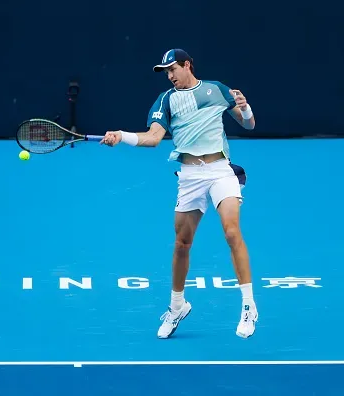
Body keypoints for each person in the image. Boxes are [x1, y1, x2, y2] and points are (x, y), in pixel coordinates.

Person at [100, 48, 258, 339]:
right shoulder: (166, 101)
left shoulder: (217, 90)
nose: (170, 76)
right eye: (166, 72)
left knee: (232, 231)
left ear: (188, 65)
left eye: (173, 69)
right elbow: (154, 138)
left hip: (221, 170)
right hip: (190, 176)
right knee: (181, 245)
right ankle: (177, 307)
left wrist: (245, 108)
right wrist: (122, 136)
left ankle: (248, 306)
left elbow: (248, 124)